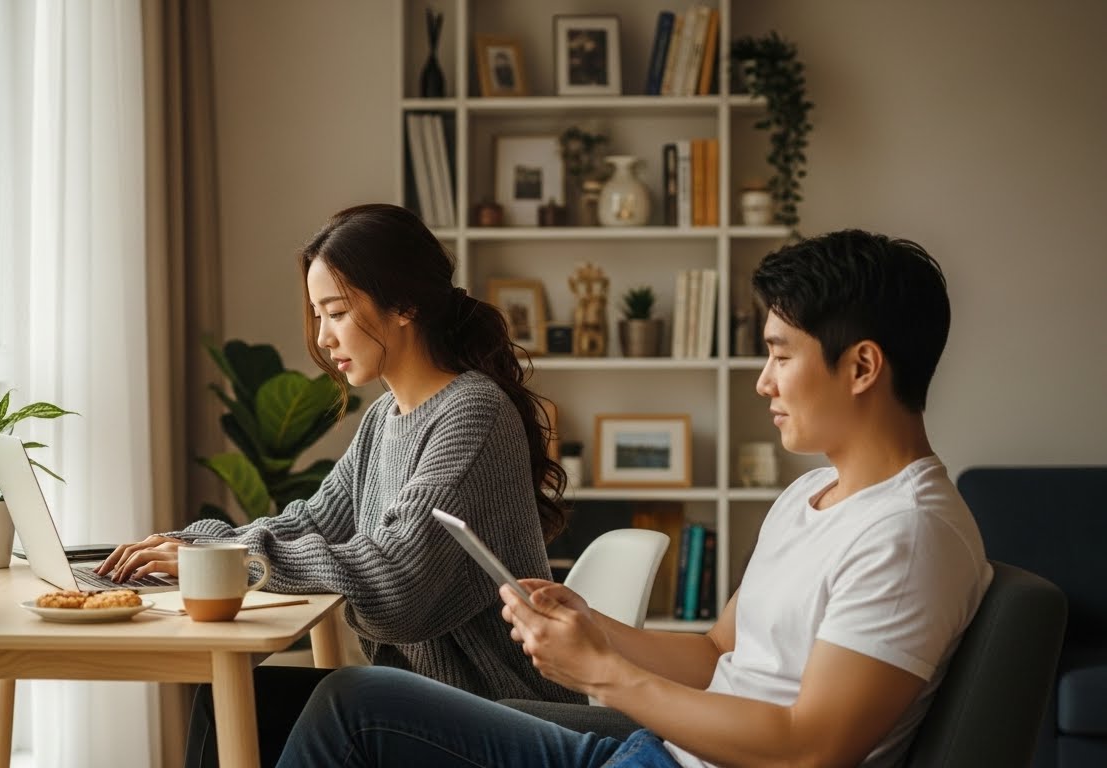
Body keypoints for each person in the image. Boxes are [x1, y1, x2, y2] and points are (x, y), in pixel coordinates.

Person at [274, 229, 993, 768]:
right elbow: (719, 655)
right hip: (661, 751)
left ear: (861, 366)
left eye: (779, 354)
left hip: (665, 759)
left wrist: (603, 674)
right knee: (309, 701)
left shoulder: (907, 534)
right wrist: (596, 629)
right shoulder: (813, 495)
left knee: (351, 708)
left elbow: (811, 748)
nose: (762, 383)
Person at [94, 203, 582, 766]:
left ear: (405, 305)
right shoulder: (385, 419)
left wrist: (230, 558)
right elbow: (309, 521)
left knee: (323, 700)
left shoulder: (473, 413)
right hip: (433, 706)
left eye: (338, 312)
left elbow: (396, 584)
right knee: (237, 700)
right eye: (318, 314)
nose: (324, 338)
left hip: (499, 711)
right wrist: (198, 547)